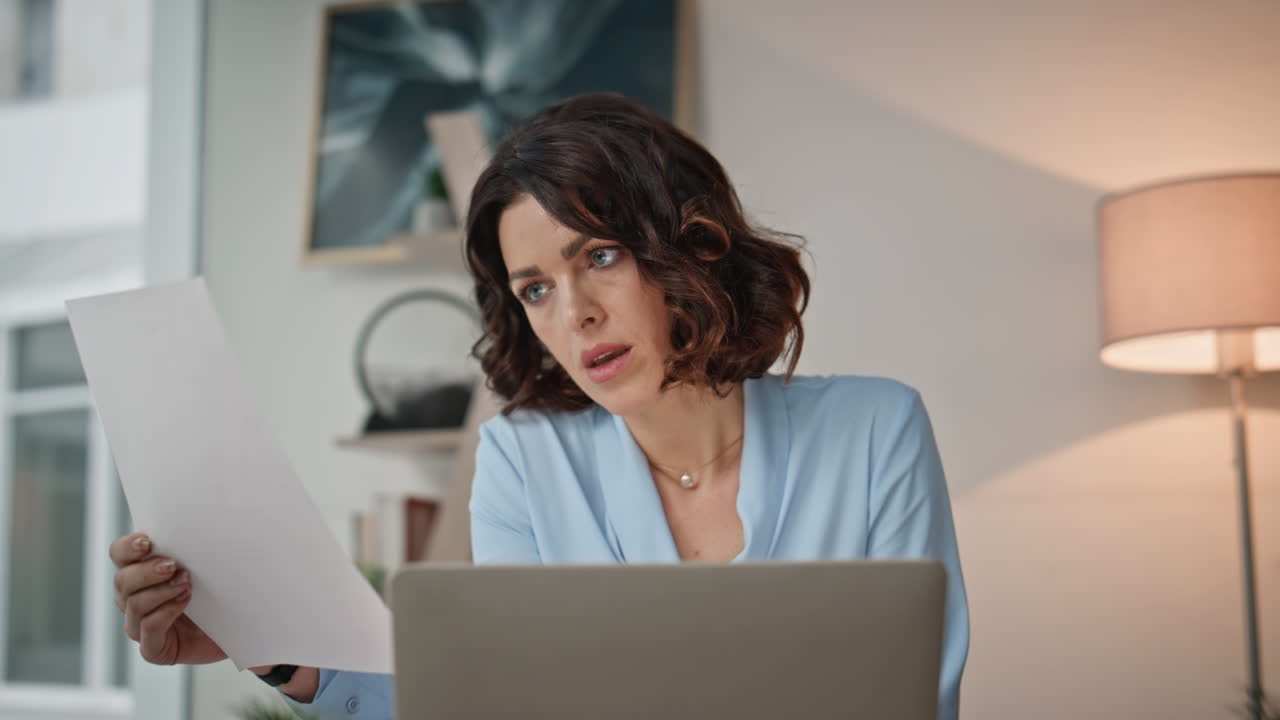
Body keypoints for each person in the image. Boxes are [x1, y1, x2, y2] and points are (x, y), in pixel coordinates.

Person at [110, 93, 969, 719]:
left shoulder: (876, 431)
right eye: (535, 287)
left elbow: (915, 700)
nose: (576, 314)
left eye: (598, 255)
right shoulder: (526, 458)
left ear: (689, 243)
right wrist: (280, 650)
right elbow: (489, 702)